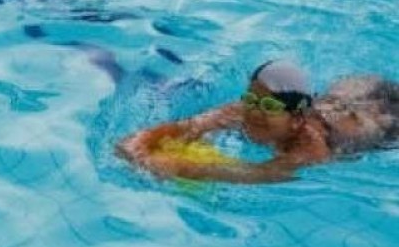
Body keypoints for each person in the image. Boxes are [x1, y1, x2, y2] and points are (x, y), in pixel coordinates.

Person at [117, 60, 399, 184]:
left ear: (297, 119)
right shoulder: (242, 110)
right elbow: (185, 128)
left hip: (384, 122)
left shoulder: (311, 149)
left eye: (269, 106)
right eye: (251, 100)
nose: (254, 112)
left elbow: (257, 174)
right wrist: (139, 144)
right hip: (350, 91)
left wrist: (181, 168)